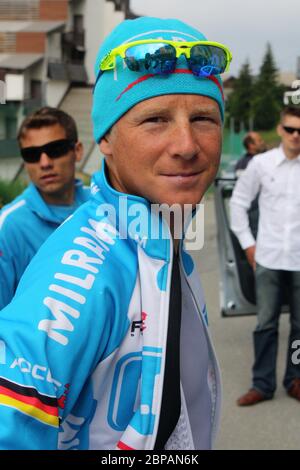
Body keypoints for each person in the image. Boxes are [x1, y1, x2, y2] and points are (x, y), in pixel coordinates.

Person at [0, 16, 232, 449]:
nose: (186, 144)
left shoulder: (160, 237)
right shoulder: (91, 266)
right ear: (105, 139)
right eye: (155, 120)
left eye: (203, 118)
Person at [230, 106, 300, 406]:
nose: (296, 136)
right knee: (265, 324)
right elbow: (238, 203)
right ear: (280, 128)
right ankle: (262, 384)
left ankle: (295, 379)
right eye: (290, 129)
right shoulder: (261, 164)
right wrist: (248, 244)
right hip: (268, 257)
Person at [0, 107, 90, 309]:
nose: (44, 163)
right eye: (32, 154)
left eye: (55, 150)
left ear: (77, 151)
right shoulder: (9, 226)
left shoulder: (101, 206)